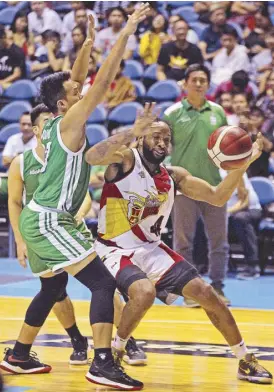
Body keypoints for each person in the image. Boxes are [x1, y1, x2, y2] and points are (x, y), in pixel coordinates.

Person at [1, 7, 150, 390]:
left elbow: (78, 78)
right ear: (65, 105)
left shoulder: (54, 120)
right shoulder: (68, 122)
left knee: (52, 288)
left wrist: (84, 44)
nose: (80, 90)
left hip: (47, 218)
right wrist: (127, 31)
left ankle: (18, 353)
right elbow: (99, 83)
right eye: (74, 93)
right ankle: (102, 363)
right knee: (102, 284)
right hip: (49, 219)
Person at [85, 102, 272, 386]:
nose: (161, 142)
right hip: (113, 248)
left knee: (208, 294)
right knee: (144, 292)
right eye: (154, 136)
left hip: (150, 248)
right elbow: (91, 157)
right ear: (142, 139)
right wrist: (129, 132)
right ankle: (116, 353)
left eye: (165, 138)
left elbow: (218, 197)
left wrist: (241, 164)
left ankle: (245, 359)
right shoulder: (124, 161)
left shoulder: (174, 176)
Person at [2, 104, 91, 367]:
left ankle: (125, 342)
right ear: (38, 130)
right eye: (48, 123)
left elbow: (84, 194)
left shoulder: (68, 156)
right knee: (55, 290)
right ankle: (77, 341)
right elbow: (14, 203)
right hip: (39, 233)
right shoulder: (21, 162)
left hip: (70, 226)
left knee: (101, 282)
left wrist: (79, 215)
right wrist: (20, 241)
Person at [163, 64, 230, 306]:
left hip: (214, 187)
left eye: (203, 79)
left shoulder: (218, 112)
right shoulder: (171, 113)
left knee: (219, 242)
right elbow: (161, 147)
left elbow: (228, 147)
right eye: (195, 79)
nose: (199, 83)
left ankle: (218, 289)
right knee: (182, 242)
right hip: (183, 189)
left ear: (208, 84)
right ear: (185, 83)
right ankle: (188, 291)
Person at [223, 171, 262, 280]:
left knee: (241, 218)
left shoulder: (236, 170)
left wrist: (226, 212)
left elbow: (244, 201)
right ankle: (201, 265)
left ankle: (252, 266)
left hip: (250, 208)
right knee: (200, 218)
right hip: (228, 211)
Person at [0, 24, 25, 92]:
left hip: (12, 84)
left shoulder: (17, 51)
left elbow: (17, 74)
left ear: (3, 37)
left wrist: (2, 82)